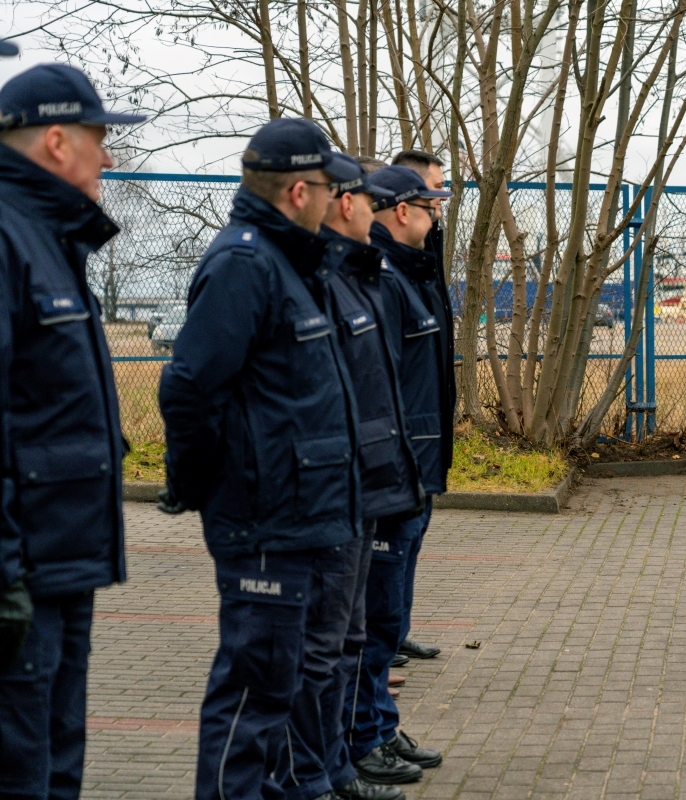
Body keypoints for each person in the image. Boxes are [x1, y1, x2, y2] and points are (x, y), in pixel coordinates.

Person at [158, 117, 366, 800]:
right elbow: (189, 386)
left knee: (279, 694)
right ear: (299, 191)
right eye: (329, 187)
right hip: (267, 523)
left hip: (302, 519)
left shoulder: (292, 263)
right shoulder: (245, 263)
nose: (337, 199)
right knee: (252, 698)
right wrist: (205, 485)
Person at [0, 63, 144, 799]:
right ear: (58, 141)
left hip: (62, 563)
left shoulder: (50, 238)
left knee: (57, 765)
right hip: (23, 573)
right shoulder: (7, 236)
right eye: (101, 139)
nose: (109, 158)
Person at [318, 153, 427, 799]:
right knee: (315, 655)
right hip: (326, 497)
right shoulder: (262, 268)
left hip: (379, 479)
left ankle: (344, 757)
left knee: (355, 635)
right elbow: (196, 387)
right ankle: (342, 756)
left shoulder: (371, 274)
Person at [340, 165, 449, 776]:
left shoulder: (410, 276)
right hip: (390, 476)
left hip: (413, 473)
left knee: (390, 613)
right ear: (401, 211)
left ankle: (380, 724)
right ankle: (364, 736)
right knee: (375, 620)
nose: (437, 216)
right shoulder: (381, 279)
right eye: (429, 206)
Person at [386, 150, 451, 664]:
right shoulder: (389, 273)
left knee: (413, 536)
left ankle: (396, 630)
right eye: (432, 196)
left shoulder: (423, 260)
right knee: (395, 542)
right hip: (403, 437)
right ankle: (384, 642)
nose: (439, 208)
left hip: (426, 428)